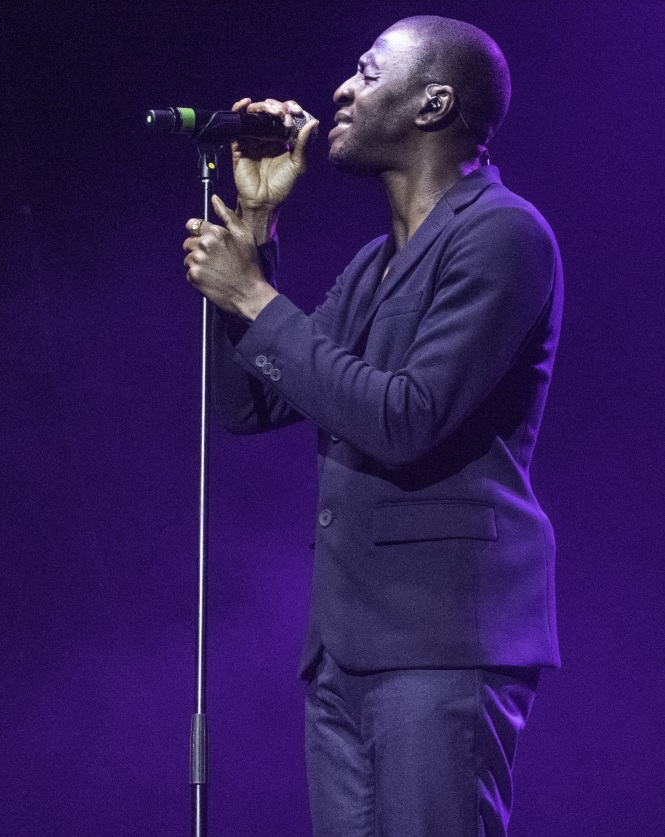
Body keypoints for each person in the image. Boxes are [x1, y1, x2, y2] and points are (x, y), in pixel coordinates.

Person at [182, 16, 561, 837]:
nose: (341, 90)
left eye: (365, 72)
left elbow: (404, 418)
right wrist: (255, 237)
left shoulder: (504, 234)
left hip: (439, 634)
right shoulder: (372, 265)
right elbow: (249, 405)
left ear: (433, 103)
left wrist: (252, 295)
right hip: (346, 645)